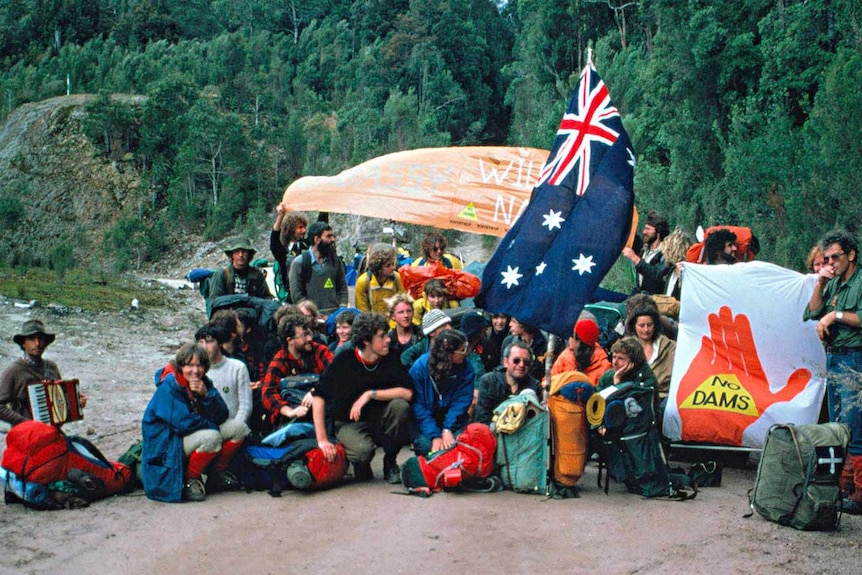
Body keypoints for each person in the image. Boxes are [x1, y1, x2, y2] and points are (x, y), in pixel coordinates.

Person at [311, 312, 414, 483]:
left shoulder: (390, 357)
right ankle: (361, 463)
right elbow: (318, 396)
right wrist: (322, 440)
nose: (388, 339)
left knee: (400, 407)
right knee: (361, 452)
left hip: (381, 418)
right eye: (382, 336)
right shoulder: (344, 360)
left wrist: (370, 394)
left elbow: (407, 392)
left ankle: (390, 461)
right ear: (366, 341)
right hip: (349, 422)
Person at [142, 343, 249, 502]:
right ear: (181, 366)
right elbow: (184, 423)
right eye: (190, 365)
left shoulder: (203, 382)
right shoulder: (170, 386)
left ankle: (216, 474)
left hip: (189, 433)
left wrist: (207, 394)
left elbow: (222, 414)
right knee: (212, 437)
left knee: (239, 429)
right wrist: (212, 426)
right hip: (168, 443)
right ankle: (190, 479)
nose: (195, 371)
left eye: (199, 365)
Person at [803, 230, 862, 514]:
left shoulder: (860, 281)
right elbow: (813, 311)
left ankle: (860, 492)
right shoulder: (834, 283)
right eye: (826, 259)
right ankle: (843, 484)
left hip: (855, 359)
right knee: (837, 424)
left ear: (851, 255)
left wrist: (834, 315)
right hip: (834, 358)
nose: (831, 263)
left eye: (836, 257)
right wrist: (820, 283)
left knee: (855, 425)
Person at [1, 319, 87, 430]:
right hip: (25, 434)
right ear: (23, 343)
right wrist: (25, 422)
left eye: (40, 338)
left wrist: (76, 403)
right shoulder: (14, 371)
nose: (37, 343)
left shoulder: (51, 366)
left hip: (51, 431)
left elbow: (59, 399)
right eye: (31, 339)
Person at [261, 313, 333, 428]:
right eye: (304, 335)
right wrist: (289, 411)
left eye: (309, 333)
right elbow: (268, 393)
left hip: (323, 411)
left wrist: (316, 390)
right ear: (290, 340)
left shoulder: (320, 351)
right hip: (293, 417)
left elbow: (334, 374)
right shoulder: (280, 361)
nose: (310, 338)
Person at [410, 329, 475, 455]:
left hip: (454, 421)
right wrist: (434, 435)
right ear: (449, 354)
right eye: (462, 350)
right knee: (426, 447)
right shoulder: (419, 368)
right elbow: (418, 406)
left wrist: (447, 429)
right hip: (426, 422)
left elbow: (461, 401)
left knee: (459, 444)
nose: (466, 353)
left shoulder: (466, 368)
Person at [196, 325, 253, 427]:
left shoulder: (237, 367)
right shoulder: (196, 370)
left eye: (209, 342)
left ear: (220, 343)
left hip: (235, 427)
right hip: (208, 428)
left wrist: (236, 428)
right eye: (201, 342)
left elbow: (246, 406)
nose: (205, 347)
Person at [474, 341, 541, 426]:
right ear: (505, 362)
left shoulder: (534, 386)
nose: (521, 365)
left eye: (526, 362)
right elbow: (482, 418)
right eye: (516, 360)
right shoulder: (489, 381)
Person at [289, 221, 348, 315]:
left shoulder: (335, 261)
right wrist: (314, 314)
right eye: (328, 236)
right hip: (311, 319)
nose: (333, 239)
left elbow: (343, 288)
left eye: (333, 236)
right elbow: (297, 296)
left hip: (335, 319)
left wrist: (342, 310)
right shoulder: (299, 263)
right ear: (317, 239)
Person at [207, 238, 274, 311]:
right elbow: (215, 302)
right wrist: (241, 299)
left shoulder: (257, 275)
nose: (241, 255)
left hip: (253, 316)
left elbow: (267, 299)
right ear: (232, 255)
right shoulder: (221, 275)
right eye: (237, 252)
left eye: (244, 252)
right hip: (228, 316)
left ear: (249, 255)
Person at [626, 307, 676, 401]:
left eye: (650, 325)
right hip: (633, 395)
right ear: (634, 326)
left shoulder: (670, 346)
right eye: (641, 325)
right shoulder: (626, 346)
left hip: (662, 396)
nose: (646, 329)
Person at [550, 318, 611, 386]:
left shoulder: (605, 368)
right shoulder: (566, 356)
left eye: (574, 338)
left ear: (583, 345)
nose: (570, 340)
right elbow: (549, 381)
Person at [622, 211, 670, 294]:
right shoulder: (644, 249)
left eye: (648, 229)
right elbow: (630, 235)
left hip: (655, 302)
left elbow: (656, 274)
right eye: (645, 228)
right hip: (639, 298)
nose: (644, 232)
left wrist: (634, 258)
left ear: (658, 233)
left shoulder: (667, 254)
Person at [270, 204, 308, 302]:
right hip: (291, 297)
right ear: (290, 229)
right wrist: (280, 216)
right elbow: (274, 238)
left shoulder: (307, 246)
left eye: (304, 227)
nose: (304, 230)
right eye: (300, 227)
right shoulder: (283, 251)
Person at [355, 243, 405, 314]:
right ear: (378, 268)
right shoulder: (363, 281)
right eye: (388, 265)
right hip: (371, 322)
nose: (393, 268)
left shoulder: (397, 278)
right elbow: (362, 311)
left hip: (393, 322)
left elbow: (403, 305)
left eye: (393, 264)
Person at [387, 294, 422, 358]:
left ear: (413, 313)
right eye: (401, 312)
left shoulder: (423, 335)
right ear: (392, 316)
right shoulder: (388, 339)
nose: (406, 315)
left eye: (408, 311)